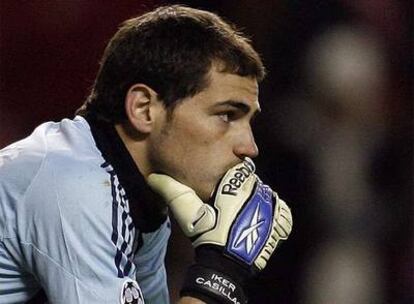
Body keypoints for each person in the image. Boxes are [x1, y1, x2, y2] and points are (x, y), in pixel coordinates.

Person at [0, 5, 292, 304]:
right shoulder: (73, 184)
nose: (250, 147)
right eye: (227, 115)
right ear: (143, 109)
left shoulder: (140, 197)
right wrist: (220, 272)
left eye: (248, 122)